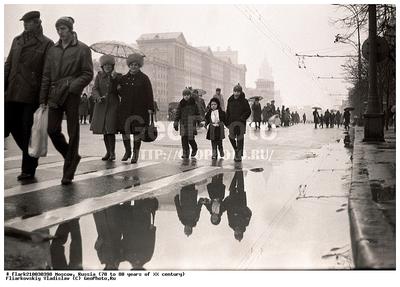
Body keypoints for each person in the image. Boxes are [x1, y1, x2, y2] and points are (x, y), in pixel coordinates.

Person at [39, 16, 93, 185]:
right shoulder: (53, 50)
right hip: (54, 93)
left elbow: (88, 73)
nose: (60, 32)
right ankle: (72, 156)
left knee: (73, 132)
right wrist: (43, 98)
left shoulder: (83, 49)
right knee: (52, 129)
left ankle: (68, 172)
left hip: (71, 94)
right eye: (58, 29)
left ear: (70, 30)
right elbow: (46, 75)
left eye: (63, 29)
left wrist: (73, 87)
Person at [4, 11, 54, 181]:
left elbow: (48, 72)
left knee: (27, 130)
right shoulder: (16, 40)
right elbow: (8, 64)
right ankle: (31, 154)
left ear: (38, 22)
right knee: (6, 126)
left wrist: (44, 96)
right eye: (24, 22)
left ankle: (28, 168)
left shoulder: (47, 44)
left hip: (31, 94)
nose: (25, 25)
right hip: (11, 91)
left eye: (28, 22)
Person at [117, 53, 154, 164]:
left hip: (140, 110)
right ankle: (127, 151)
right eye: (132, 64)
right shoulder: (123, 78)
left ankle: (135, 154)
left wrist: (150, 108)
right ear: (129, 65)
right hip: (125, 109)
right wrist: (118, 87)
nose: (134, 67)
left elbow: (149, 94)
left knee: (137, 132)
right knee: (125, 131)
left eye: (136, 65)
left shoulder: (144, 78)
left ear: (139, 66)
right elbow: (121, 93)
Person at [90, 55, 120, 161]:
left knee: (110, 129)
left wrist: (115, 79)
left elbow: (119, 91)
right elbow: (95, 89)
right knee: (104, 130)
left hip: (113, 105)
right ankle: (108, 152)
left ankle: (112, 153)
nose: (107, 67)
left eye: (109, 65)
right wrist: (98, 97)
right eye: (105, 65)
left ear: (112, 66)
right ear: (102, 66)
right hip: (101, 105)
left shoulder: (117, 76)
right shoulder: (99, 76)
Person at [223, 170, 252, 242]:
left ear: (234, 233)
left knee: (232, 186)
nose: (237, 231)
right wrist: (243, 209)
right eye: (239, 233)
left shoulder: (231, 224)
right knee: (240, 184)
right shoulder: (245, 223)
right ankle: (240, 171)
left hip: (233, 201)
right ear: (242, 232)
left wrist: (230, 205)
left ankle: (236, 172)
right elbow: (249, 213)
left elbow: (229, 213)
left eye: (236, 233)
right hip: (241, 201)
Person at [226, 84, 251, 162]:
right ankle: (236, 150)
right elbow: (228, 111)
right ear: (233, 91)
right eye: (235, 91)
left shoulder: (244, 101)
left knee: (240, 139)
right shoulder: (230, 100)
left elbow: (248, 111)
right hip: (232, 122)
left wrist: (242, 118)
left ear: (240, 92)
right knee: (231, 137)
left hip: (241, 123)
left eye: (238, 92)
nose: (236, 93)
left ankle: (239, 155)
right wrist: (227, 122)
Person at [174, 88, 200, 159]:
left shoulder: (194, 103)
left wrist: (199, 122)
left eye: (188, 95)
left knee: (191, 139)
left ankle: (194, 148)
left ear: (190, 95)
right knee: (184, 140)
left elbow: (197, 113)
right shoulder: (181, 103)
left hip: (191, 124)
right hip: (183, 124)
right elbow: (177, 114)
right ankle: (185, 153)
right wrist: (176, 122)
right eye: (185, 95)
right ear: (183, 96)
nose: (186, 96)